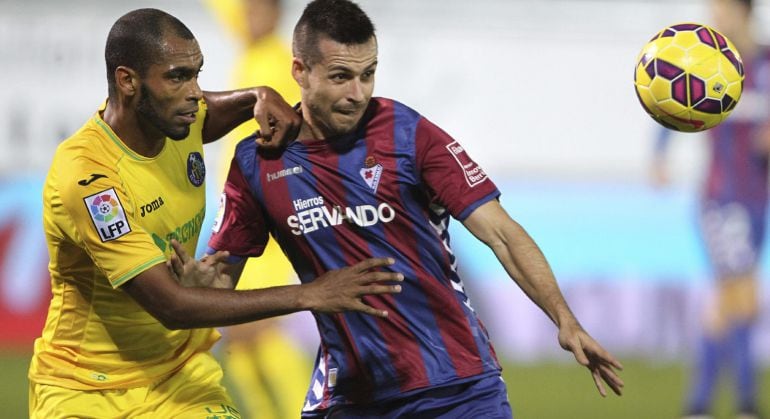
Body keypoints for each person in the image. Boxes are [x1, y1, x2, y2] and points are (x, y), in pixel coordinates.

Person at [208, 0, 625, 417]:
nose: (357, 94)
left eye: (367, 74)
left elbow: (501, 232)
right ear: (300, 72)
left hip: (457, 390)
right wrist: (199, 285)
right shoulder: (259, 162)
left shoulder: (405, 132)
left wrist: (564, 319)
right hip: (351, 399)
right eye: (341, 77)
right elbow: (218, 288)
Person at [27, 8, 404, 418]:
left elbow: (216, 109)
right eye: (177, 76)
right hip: (87, 390)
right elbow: (172, 306)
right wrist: (311, 294)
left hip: (180, 378)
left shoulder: (179, 119)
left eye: (196, 74)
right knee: (250, 339)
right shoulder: (90, 179)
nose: (193, 92)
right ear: (127, 81)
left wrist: (258, 96)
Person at [652, 1, 767, 418]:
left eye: (722, 8)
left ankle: (699, 404)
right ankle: (745, 401)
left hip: (758, 199)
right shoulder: (708, 61)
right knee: (740, 294)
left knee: (729, 302)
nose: (716, 17)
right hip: (720, 198)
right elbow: (669, 99)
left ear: (743, 10)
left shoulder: (767, 61)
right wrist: (659, 155)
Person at [204, 0, 311, 417]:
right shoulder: (249, 49)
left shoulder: (282, 65)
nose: (247, 18)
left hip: (267, 212)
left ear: (276, 14)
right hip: (235, 213)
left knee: (257, 325)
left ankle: (308, 410)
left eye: (257, 10)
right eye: (244, 10)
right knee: (237, 332)